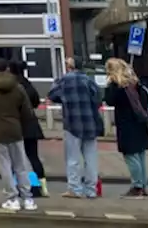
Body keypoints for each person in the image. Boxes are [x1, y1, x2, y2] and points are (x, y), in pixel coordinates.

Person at [0, 57, 37, 211]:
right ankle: (28, 199)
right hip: (15, 129)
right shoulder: (18, 87)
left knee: (5, 165)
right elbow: (27, 111)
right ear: (7, 69)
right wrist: (20, 124)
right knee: (21, 165)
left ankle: (12, 198)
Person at [48, 57, 103, 199]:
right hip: (90, 122)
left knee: (73, 158)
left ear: (69, 67)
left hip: (72, 123)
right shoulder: (88, 80)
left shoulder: (64, 80)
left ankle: (75, 188)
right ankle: (91, 190)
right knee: (91, 158)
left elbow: (53, 95)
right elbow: (98, 97)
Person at [104, 57, 148, 198]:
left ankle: (137, 186)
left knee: (130, 155)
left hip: (126, 124)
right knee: (140, 155)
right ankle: (143, 185)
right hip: (140, 122)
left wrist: (108, 85)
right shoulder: (136, 84)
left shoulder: (117, 87)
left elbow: (109, 100)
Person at [8, 60, 46, 198]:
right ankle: (42, 187)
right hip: (32, 125)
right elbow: (36, 101)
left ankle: (30, 187)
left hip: (19, 126)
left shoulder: (13, 86)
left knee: (19, 160)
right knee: (33, 157)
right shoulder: (28, 84)